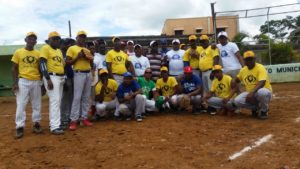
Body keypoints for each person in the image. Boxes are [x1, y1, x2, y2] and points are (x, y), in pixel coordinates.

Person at [11, 32, 42, 139]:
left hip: (36, 81)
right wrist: (15, 83)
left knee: (36, 104)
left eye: (34, 39)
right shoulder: (18, 52)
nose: (32, 40)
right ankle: (19, 127)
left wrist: (41, 83)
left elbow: (40, 69)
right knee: (21, 104)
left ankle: (36, 123)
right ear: (25, 40)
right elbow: (14, 68)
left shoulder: (38, 53)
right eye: (30, 38)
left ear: (36, 42)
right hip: (23, 81)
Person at [66, 30, 93, 130]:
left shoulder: (87, 49)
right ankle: (73, 120)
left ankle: (84, 118)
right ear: (76, 38)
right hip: (78, 73)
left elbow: (91, 64)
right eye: (80, 37)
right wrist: (77, 57)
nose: (82, 38)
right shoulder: (72, 48)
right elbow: (67, 62)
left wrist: (89, 58)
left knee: (86, 97)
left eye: (84, 37)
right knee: (77, 97)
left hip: (88, 73)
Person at [233, 51, 272, 119]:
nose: (249, 61)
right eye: (247, 59)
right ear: (244, 61)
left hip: (263, 92)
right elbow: (237, 79)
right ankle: (256, 108)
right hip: (251, 94)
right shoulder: (243, 70)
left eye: (251, 59)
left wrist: (252, 92)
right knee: (237, 101)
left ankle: (264, 111)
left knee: (262, 92)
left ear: (254, 59)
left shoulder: (260, 67)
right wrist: (232, 82)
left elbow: (262, 82)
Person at [40, 31, 65, 135]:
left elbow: (62, 65)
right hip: (51, 76)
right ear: (49, 40)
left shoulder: (59, 51)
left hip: (60, 77)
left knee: (58, 101)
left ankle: (56, 123)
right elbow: (42, 63)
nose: (56, 40)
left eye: (58, 39)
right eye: (54, 39)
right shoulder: (45, 48)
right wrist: (47, 78)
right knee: (55, 101)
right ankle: (54, 126)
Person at [60, 38, 75, 129]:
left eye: (69, 44)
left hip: (72, 78)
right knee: (64, 100)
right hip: (65, 79)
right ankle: (63, 119)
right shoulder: (60, 53)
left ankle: (69, 117)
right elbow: (62, 68)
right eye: (66, 44)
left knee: (70, 99)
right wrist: (65, 80)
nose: (68, 45)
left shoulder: (69, 53)